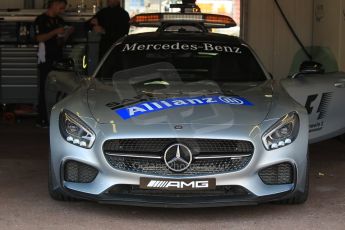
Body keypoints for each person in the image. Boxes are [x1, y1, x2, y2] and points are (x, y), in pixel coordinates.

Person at [34, 0, 74, 127]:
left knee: (59, 88)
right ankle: (42, 119)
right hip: (45, 58)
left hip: (58, 58)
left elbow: (61, 42)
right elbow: (39, 38)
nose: (62, 11)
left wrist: (66, 33)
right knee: (44, 88)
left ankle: (56, 118)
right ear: (54, 4)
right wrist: (54, 32)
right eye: (61, 8)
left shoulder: (59, 20)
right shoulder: (41, 20)